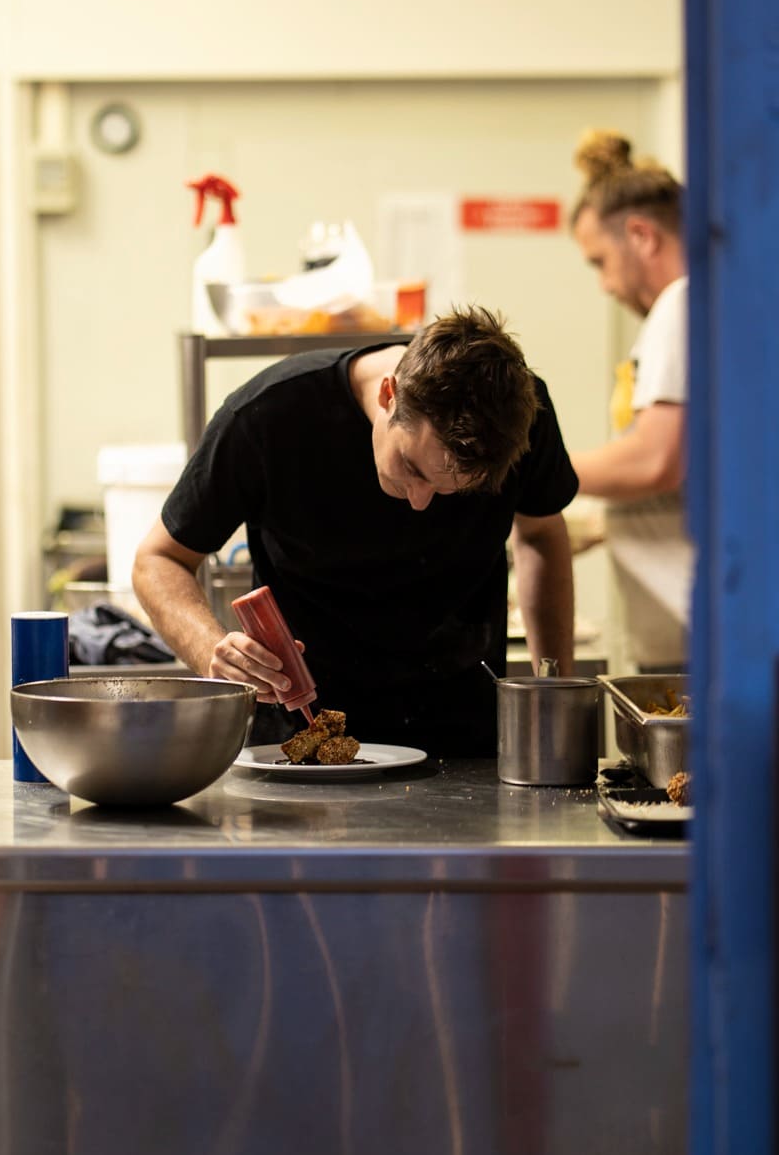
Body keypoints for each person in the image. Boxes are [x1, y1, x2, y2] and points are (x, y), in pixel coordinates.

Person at [132, 306, 577, 756]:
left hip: (464, 737)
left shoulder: (523, 417)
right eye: (411, 467)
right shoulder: (269, 414)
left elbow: (541, 534)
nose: (419, 501)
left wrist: (554, 695)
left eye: (453, 491)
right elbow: (159, 560)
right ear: (389, 394)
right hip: (303, 740)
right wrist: (214, 651)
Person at [568, 129, 691, 674]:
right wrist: (604, 522)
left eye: (600, 261)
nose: (605, 285)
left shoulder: (681, 304)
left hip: (694, 631)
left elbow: (656, 460)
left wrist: (533, 470)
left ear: (641, 235)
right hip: (679, 627)